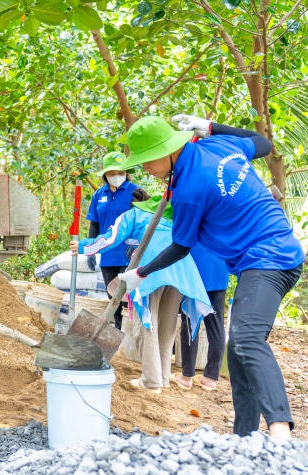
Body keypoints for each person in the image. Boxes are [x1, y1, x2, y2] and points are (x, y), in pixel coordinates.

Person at [118, 114, 305, 439]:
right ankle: (244, 437)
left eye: (148, 161)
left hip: (270, 257)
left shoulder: (190, 187)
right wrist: (211, 127)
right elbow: (264, 144)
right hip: (271, 253)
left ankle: (280, 431)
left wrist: (141, 273)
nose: (145, 169)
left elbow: (181, 247)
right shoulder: (214, 144)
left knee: (246, 340)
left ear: (168, 150)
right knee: (238, 350)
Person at [70, 195, 211, 393]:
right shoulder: (172, 217)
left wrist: (84, 246)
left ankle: (151, 382)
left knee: (147, 323)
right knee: (167, 325)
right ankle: (162, 378)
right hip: (182, 270)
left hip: (151, 268)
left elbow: (112, 238)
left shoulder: (134, 214)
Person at [86, 151, 140, 329]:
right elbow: (94, 224)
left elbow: (142, 222)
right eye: (112, 173)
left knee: (127, 296)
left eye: (120, 172)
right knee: (112, 295)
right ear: (105, 175)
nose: (116, 176)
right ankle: (117, 332)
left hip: (129, 254)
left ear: (126, 172)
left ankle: (130, 332)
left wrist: (136, 248)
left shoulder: (136, 192)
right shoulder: (98, 195)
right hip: (108, 254)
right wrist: (91, 249)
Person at [173, 245, 228, 391]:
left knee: (190, 324)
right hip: (219, 272)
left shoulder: (197, 221)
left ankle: (186, 376)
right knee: (216, 328)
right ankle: (210, 378)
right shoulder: (227, 222)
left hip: (196, 274)